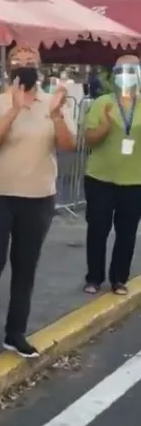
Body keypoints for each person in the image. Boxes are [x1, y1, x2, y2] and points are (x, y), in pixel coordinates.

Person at [0, 45, 77, 364]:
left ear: (40, 67)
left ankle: (15, 333)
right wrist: (14, 110)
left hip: (37, 198)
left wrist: (57, 114)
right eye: (18, 61)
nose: (24, 65)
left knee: (25, 267)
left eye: (31, 61)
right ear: (8, 69)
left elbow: (68, 145)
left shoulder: (53, 102)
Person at [82, 56, 141, 296]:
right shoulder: (102, 103)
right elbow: (89, 139)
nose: (126, 75)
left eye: (132, 70)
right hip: (100, 179)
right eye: (121, 70)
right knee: (98, 228)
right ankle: (94, 277)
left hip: (134, 181)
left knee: (127, 232)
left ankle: (119, 279)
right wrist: (104, 128)